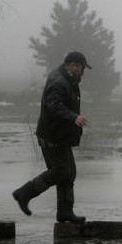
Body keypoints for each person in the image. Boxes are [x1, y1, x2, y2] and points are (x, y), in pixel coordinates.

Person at [12, 51, 91, 223]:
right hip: (52, 136)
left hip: (60, 136)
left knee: (69, 173)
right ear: (72, 65)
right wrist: (74, 117)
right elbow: (54, 106)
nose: (83, 72)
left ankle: (65, 213)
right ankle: (24, 193)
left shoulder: (68, 79)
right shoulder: (58, 81)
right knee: (61, 172)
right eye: (81, 68)